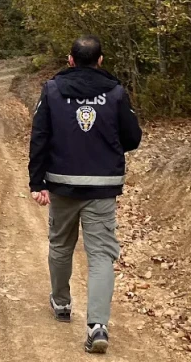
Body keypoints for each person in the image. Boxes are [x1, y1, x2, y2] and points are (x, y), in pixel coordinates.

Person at [28, 35, 141, 355]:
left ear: (70, 59)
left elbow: (39, 137)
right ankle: (97, 326)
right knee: (101, 255)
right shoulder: (117, 93)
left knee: (61, 244)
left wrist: (37, 182)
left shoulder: (51, 91)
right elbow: (132, 138)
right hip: (103, 186)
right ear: (101, 60)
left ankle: (62, 304)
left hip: (62, 184)